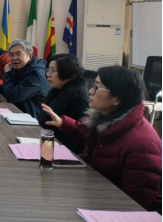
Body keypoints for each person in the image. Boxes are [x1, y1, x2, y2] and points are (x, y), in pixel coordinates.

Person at [43, 66, 162, 211]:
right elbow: (94, 140)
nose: (90, 91)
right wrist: (63, 123)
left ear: (116, 99)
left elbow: (134, 202)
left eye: (96, 87)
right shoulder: (108, 119)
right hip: (99, 193)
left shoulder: (142, 144)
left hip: (127, 212)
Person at [0, 38, 50, 119]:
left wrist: (7, 74)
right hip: (19, 113)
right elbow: (16, 87)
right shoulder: (21, 67)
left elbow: (12, 96)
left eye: (18, 54)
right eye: (11, 55)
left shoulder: (36, 74)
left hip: (34, 119)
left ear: (29, 56)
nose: (14, 58)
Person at [38, 53, 90, 154]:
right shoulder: (56, 90)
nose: (48, 74)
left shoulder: (78, 98)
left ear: (68, 72)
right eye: (48, 70)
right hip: (49, 141)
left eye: (53, 71)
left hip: (65, 152)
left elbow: (73, 138)